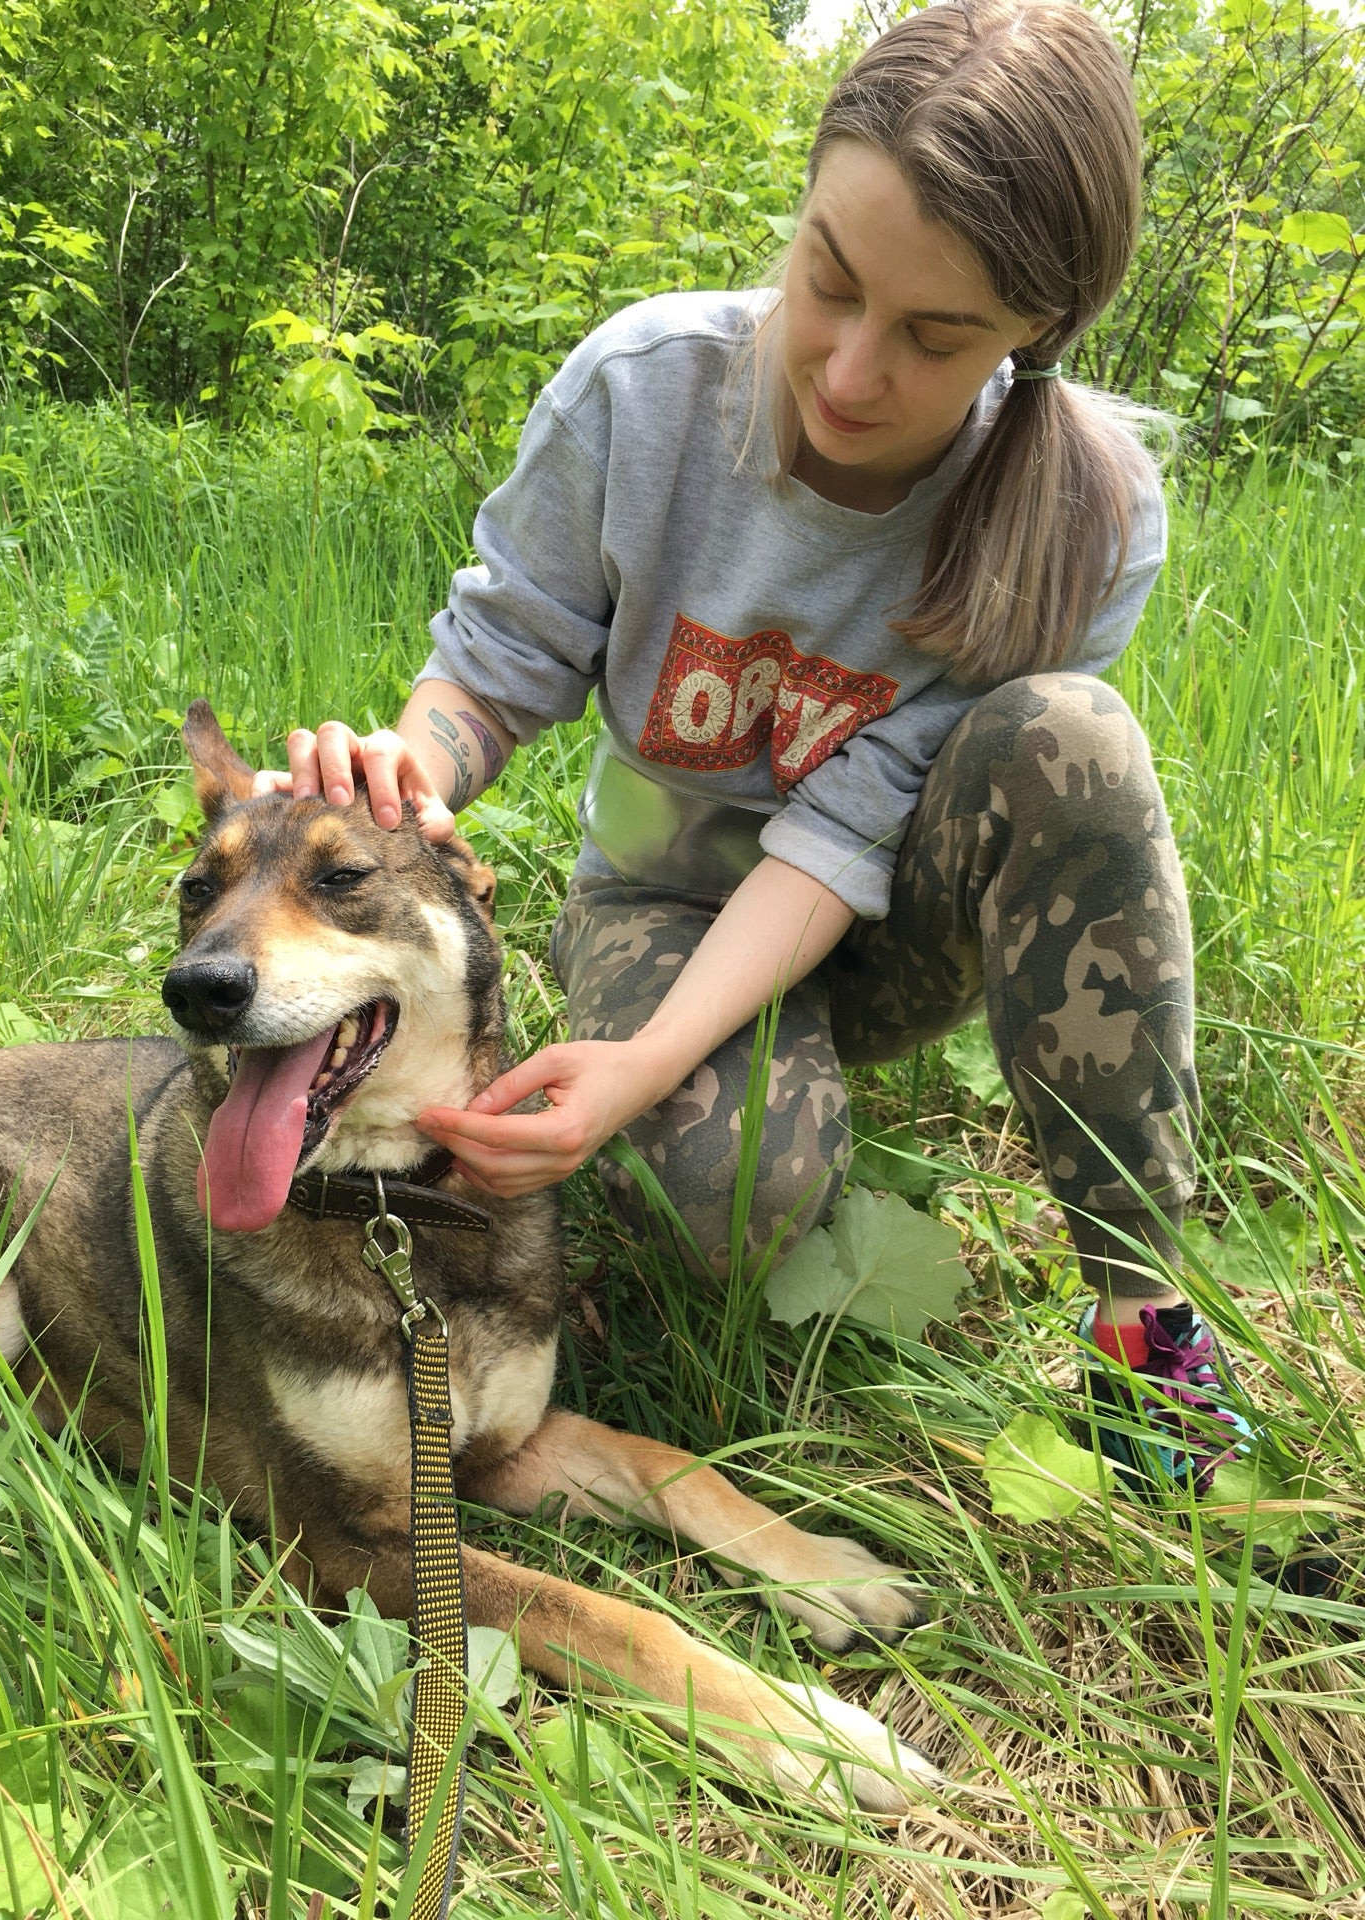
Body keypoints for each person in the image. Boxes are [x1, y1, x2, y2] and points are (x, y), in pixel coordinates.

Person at [256, 0, 1254, 1495]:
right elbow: (499, 660)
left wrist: (644, 1065)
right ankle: (751, 1121)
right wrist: (411, 773)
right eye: (828, 281)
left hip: (899, 913)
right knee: (734, 1210)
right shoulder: (642, 394)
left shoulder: (1088, 513)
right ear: (797, 207)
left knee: (1073, 739)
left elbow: (855, 827)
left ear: (1036, 330)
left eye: (937, 336)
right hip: (671, 903)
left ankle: (1140, 1319)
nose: (852, 374)